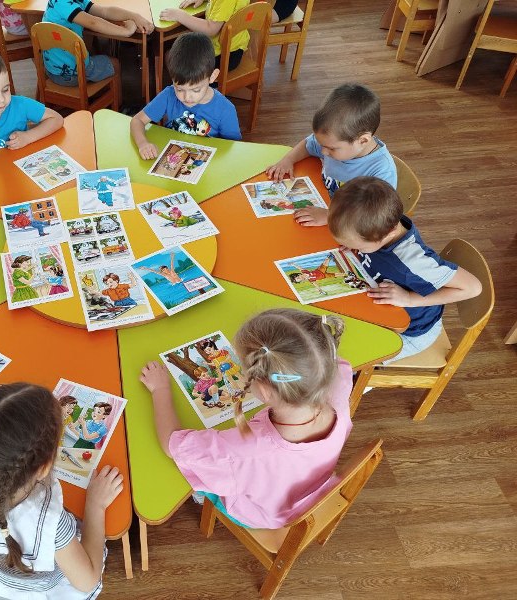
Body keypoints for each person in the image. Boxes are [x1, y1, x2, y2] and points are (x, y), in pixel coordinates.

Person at [140, 308, 354, 529]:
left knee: (197, 473)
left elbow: (172, 444)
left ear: (265, 390)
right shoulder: (338, 387)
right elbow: (336, 363)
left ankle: (206, 491)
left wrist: (160, 389)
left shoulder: (244, 450)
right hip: (314, 491)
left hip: (266, 515)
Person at [0, 383, 123, 598]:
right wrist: (95, 505)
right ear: (43, 469)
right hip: (38, 590)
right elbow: (87, 580)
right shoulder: (50, 522)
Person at [328, 177, 482, 363]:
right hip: (378, 312)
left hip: (410, 333)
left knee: (345, 361)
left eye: (360, 246)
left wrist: (409, 299)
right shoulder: (377, 224)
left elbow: (472, 287)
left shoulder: (414, 261)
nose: (356, 248)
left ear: (389, 233)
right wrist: (355, 246)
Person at [266, 83, 397, 226]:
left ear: (363, 140)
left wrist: (329, 216)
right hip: (321, 201)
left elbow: (374, 215)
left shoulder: (382, 171)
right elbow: (308, 145)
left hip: (345, 225)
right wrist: (288, 159)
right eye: (321, 145)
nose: (323, 152)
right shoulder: (335, 142)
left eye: (331, 149)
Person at [131, 32, 241, 159]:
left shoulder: (225, 109)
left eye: (196, 90)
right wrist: (143, 143)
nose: (187, 97)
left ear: (212, 77)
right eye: (179, 89)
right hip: (172, 158)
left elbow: (233, 147)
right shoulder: (169, 95)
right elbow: (137, 120)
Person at [41, 0, 153, 87]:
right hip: (69, 74)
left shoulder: (63, 2)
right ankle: (118, 105)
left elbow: (105, 11)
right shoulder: (64, 4)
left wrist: (134, 16)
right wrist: (126, 32)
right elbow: (93, 23)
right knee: (115, 63)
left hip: (51, 68)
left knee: (94, 54)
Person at [159, 0, 251, 73]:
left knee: (171, 56)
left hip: (223, 57)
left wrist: (180, 15)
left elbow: (211, 29)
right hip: (235, 47)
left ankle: (192, 88)